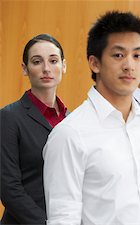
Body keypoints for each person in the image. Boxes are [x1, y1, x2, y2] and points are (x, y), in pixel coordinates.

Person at [43, 11, 140, 225]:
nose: (129, 66)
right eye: (118, 55)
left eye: (137, 55)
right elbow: (63, 218)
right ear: (95, 63)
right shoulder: (70, 134)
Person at [1, 33, 67, 225]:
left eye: (53, 61)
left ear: (63, 66)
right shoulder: (8, 117)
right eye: (37, 61)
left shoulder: (72, 120)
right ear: (25, 68)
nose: (46, 68)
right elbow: (9, 189)